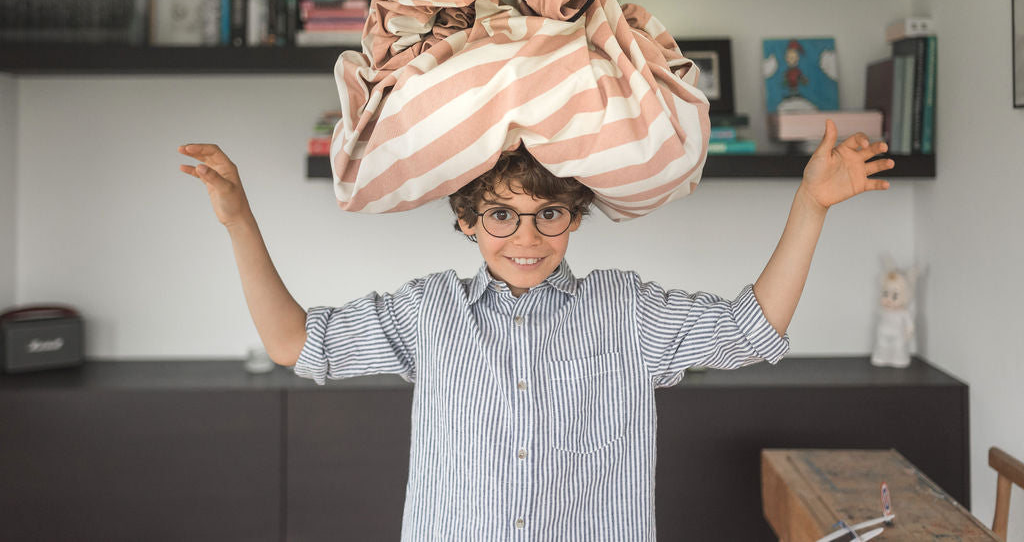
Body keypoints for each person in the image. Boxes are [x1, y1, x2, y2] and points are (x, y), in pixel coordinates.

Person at [178, 121, 893, 540]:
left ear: (575, 216)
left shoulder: (625, 310)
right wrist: (239, 219)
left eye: (548, 214)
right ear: (465, 220)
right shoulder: (429, 313)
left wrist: (812, 205)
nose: (527, 236)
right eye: (501, 216)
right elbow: (298, 344)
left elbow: (749, 328)